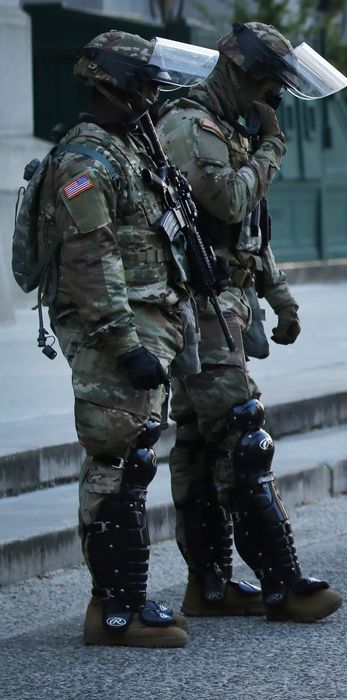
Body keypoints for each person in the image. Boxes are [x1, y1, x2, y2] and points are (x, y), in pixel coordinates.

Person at [155, 22, 347, 623]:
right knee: (242, 434)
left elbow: (247, 232)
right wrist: (271, 148)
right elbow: (231, 201)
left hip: (225, 303)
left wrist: (280, 297)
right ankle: (285, 583)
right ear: (241, 73)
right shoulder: (191, 128)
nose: (275, 97)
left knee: (197, 444)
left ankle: (209, 587)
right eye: (269, 81)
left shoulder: (229, 128)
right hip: (198, 305)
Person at [43, 30, 205, 647]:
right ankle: (115, 612)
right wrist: (124, 343)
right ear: (116, 80)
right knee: (116, 463)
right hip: (117, 336)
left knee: (130, 463)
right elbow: (91, 260)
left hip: (146, 325)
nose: (154, 89)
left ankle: (125, 601)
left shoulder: (130, 146)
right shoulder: (86, 159)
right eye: (145, 78)